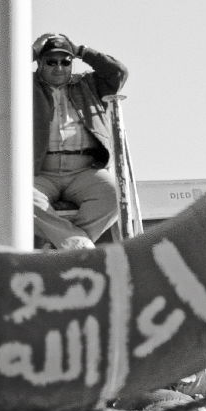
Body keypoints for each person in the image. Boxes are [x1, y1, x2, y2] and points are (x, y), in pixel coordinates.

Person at [32, 33, 128, 250]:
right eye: (51, 62)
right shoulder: (24, 86)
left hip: (85, 171)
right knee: (15, 198)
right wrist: (32, 50)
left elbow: (119, 72)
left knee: (116, 195)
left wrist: (82, 51)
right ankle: (77, 246)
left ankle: (62, 246)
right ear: (39, 63)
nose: (59, 67)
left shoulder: (89, 85)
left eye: (66, 61)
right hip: (39, 172)